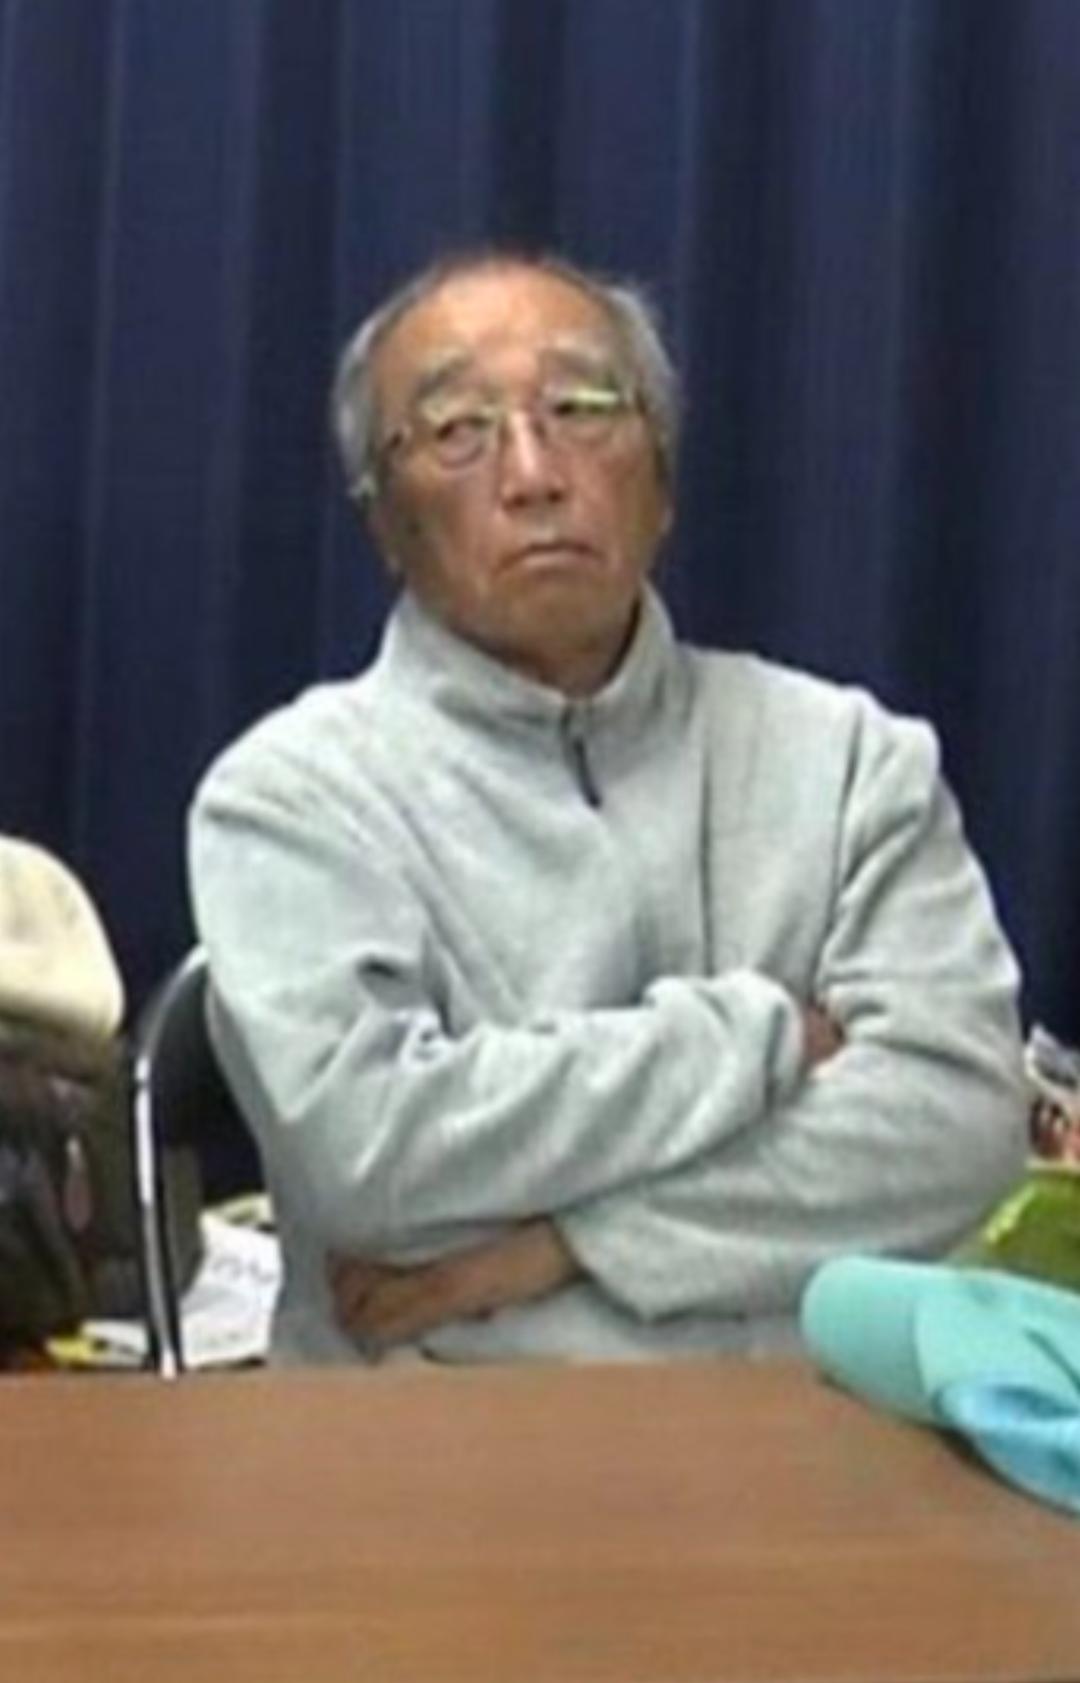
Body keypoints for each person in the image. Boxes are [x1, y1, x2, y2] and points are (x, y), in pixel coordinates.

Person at [188, 250, 1028, 1366]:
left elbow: (960, 1127)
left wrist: (565, 1245)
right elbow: (371, 1160)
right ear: (384, 522)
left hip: (804, 1428)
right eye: (457, 430)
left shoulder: (852, 761)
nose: (533, 473)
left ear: (662, 483)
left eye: (583, 409)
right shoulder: (288, 799)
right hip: (435, 1440)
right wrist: (764, 1036)